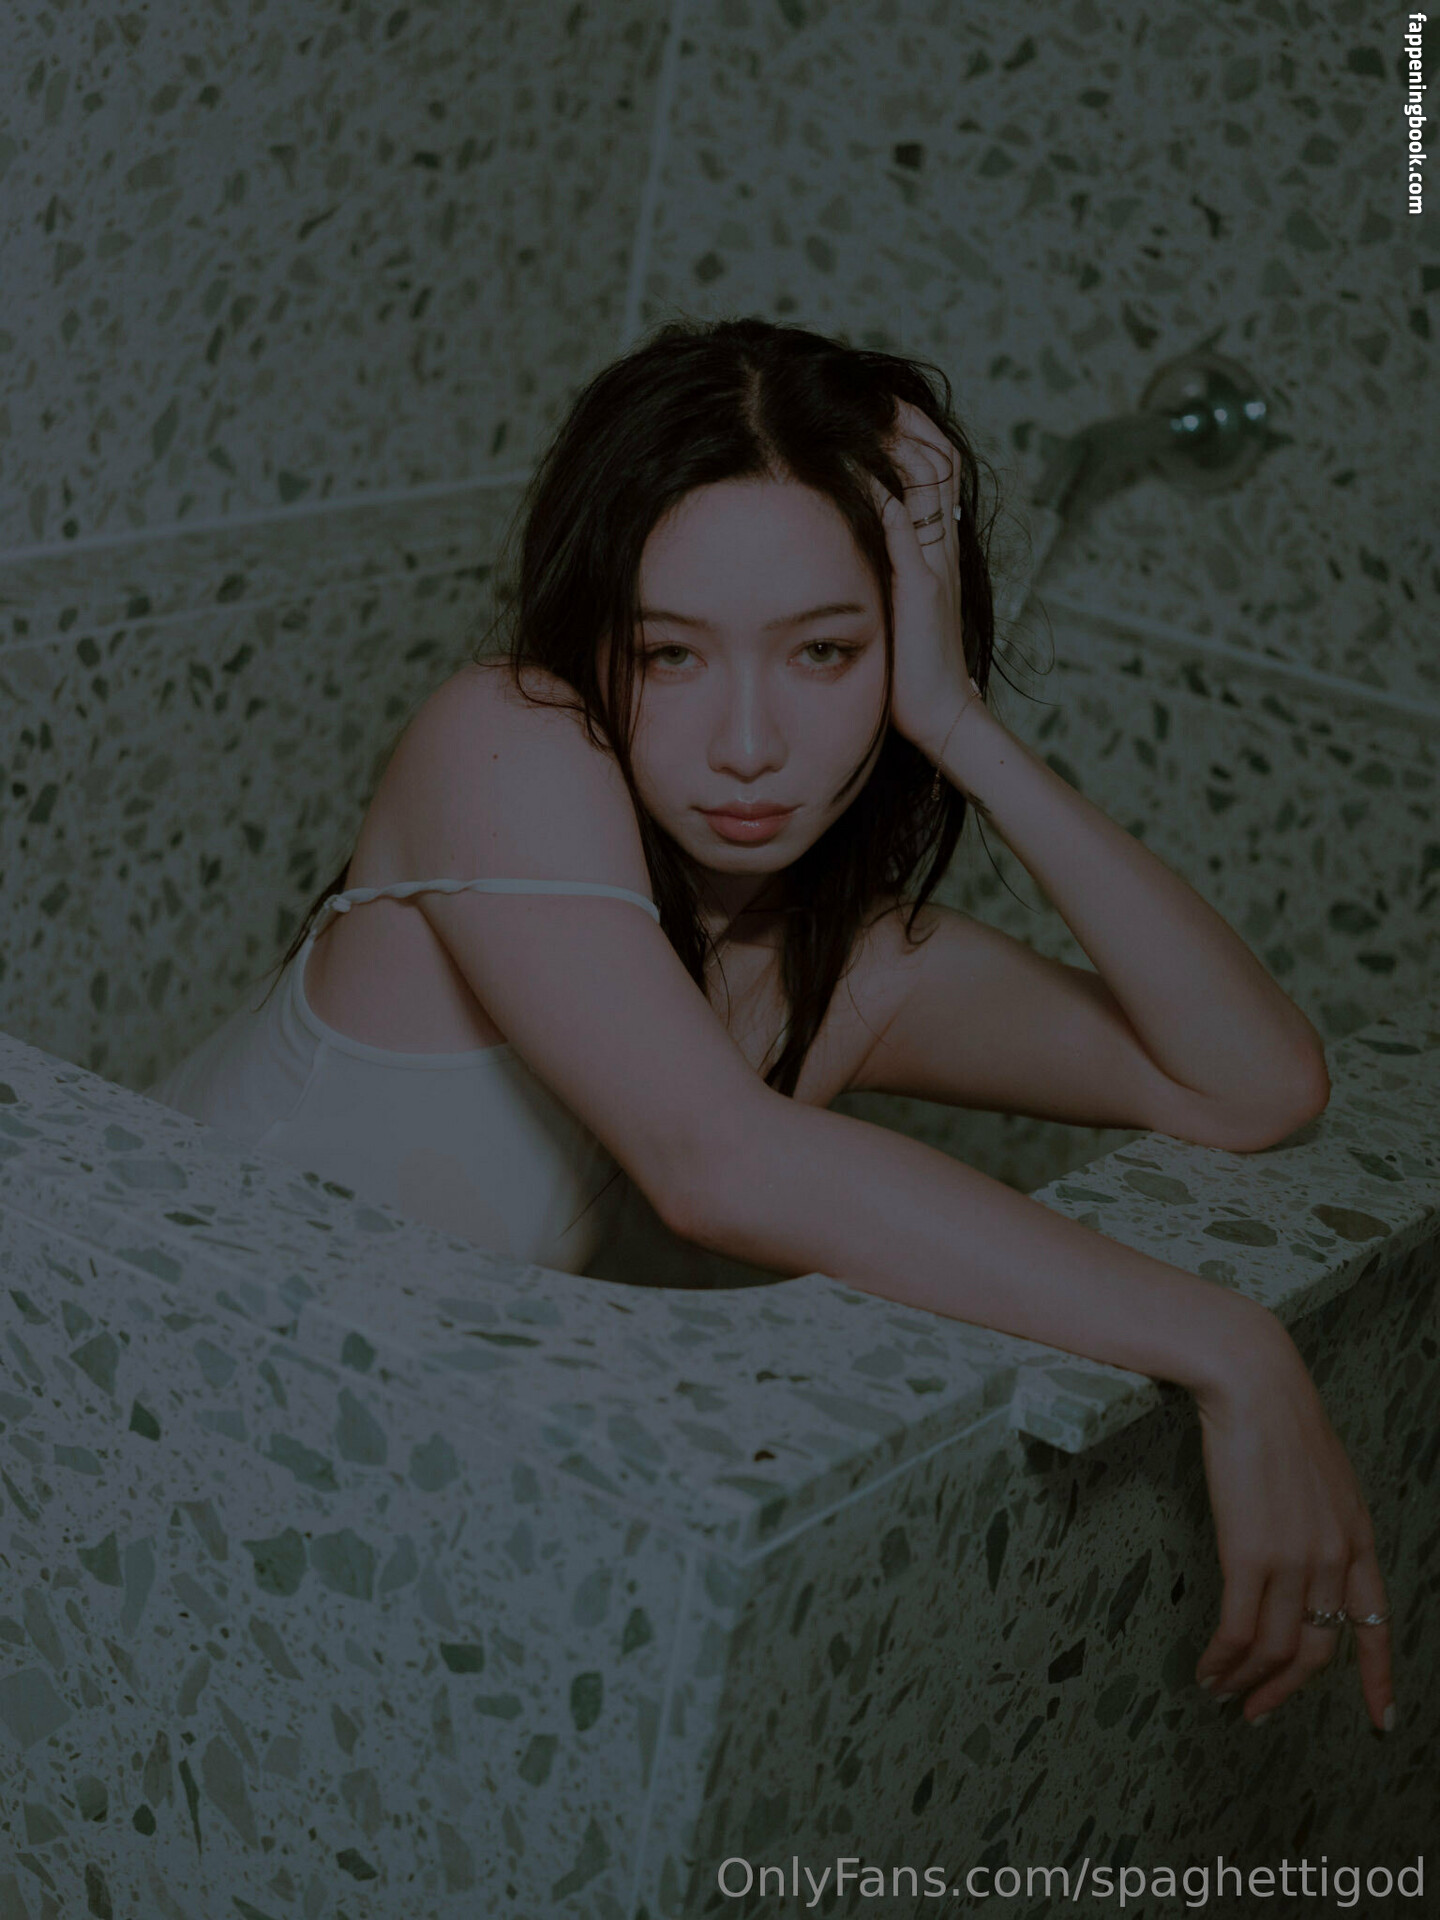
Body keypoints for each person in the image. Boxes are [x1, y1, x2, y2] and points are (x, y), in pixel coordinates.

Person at [145, 314, 1393, 1738]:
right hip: (110, 1368)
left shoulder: (835, 968)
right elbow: (715, 1160)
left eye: (825, 652)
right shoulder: (505, 737)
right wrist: (1234, 1346)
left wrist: (958, 721)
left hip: (307, 1456)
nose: (747, 743)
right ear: (590, 641)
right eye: (669, 654)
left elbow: (1255, 1084)